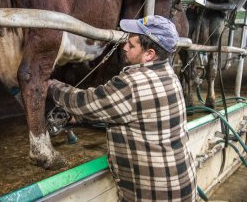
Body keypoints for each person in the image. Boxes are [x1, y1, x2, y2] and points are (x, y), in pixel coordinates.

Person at [48, 15, 197, 201]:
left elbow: (85, 102)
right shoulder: (170, 76)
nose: (124, 47)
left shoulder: (132, 84)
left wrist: (51, 85)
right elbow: (131, 112)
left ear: (149, 54)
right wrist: (78, 119)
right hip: (182, 183)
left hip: (153, 193)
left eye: (132, 45)